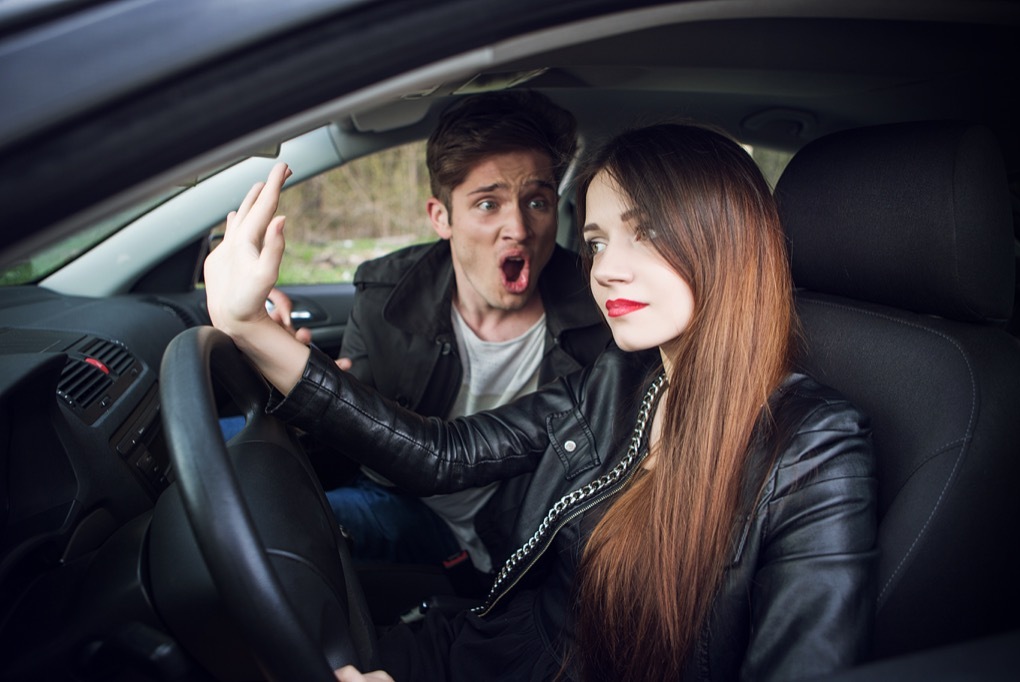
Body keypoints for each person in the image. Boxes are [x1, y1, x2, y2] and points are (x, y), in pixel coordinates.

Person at [205, 121, 877, 681]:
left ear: (725, 235)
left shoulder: (813, 451)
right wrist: (251, 328)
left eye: (644, 232)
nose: (605, 269)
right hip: (484, 647)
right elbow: (443, 453)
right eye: (596, 242)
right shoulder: (620, 380)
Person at [267, 92, 610, 578]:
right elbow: (354, 429)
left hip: (521, 526)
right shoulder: (385, 294)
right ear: (441, 217)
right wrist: (294, 385)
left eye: (537, 201)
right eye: (488, 204)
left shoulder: (602, 313)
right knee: (267, 504)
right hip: (402, 497)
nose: (518, 228)